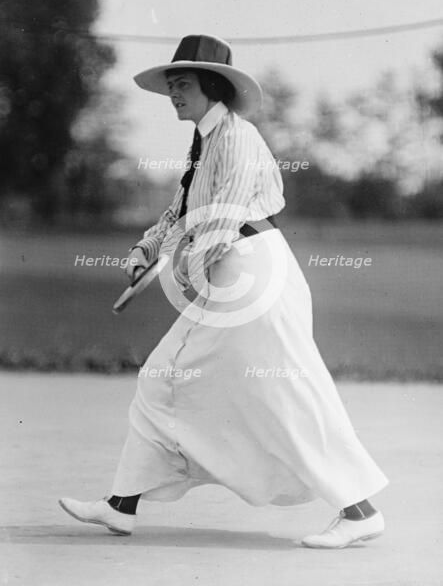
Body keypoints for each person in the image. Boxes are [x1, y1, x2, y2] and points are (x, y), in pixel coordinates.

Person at [59, 34, 388, 548]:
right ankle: (121, 505)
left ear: (212, 85)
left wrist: (184, 268)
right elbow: (182, 211)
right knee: (163, 377)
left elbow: (224, 217)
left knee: (282, 390)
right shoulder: (204, 141)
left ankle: (361, 511)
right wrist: (147, 249)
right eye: (170, 85)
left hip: (254, 271)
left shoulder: (236, 138)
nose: (173, 93)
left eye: (183, 83)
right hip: (231, 271)